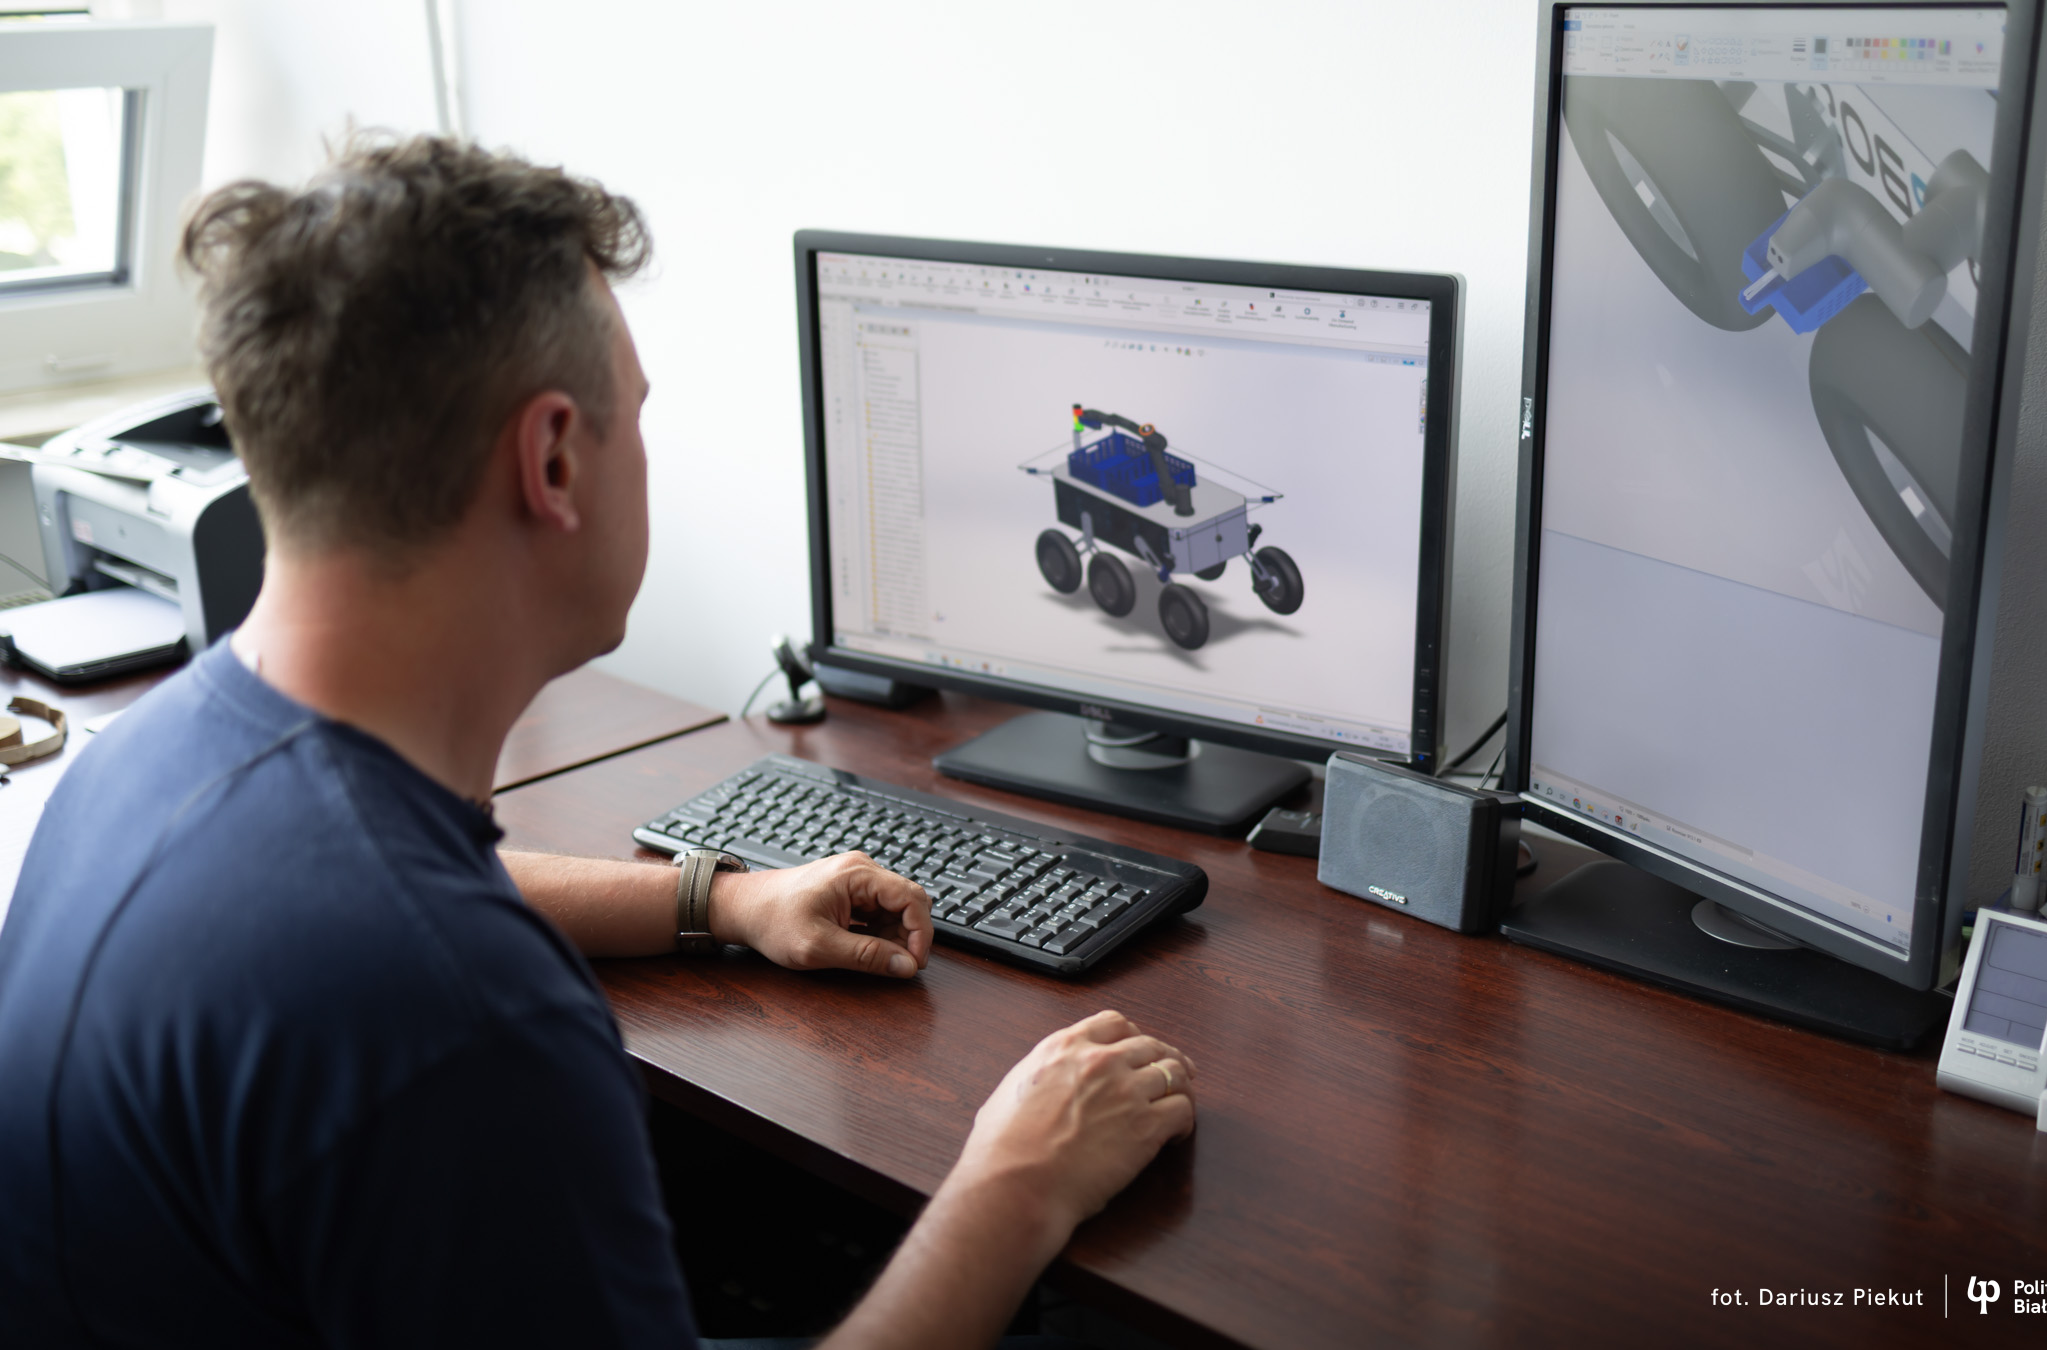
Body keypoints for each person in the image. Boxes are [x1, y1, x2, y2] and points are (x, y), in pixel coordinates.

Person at [0, 135, 1196, 1350]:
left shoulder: (141, 763)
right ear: (555, 459)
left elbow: (396, 900)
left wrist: (725, 899)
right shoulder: (465, 1023)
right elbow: (419, 959)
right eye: (639, 416)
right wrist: (1017, 1182)